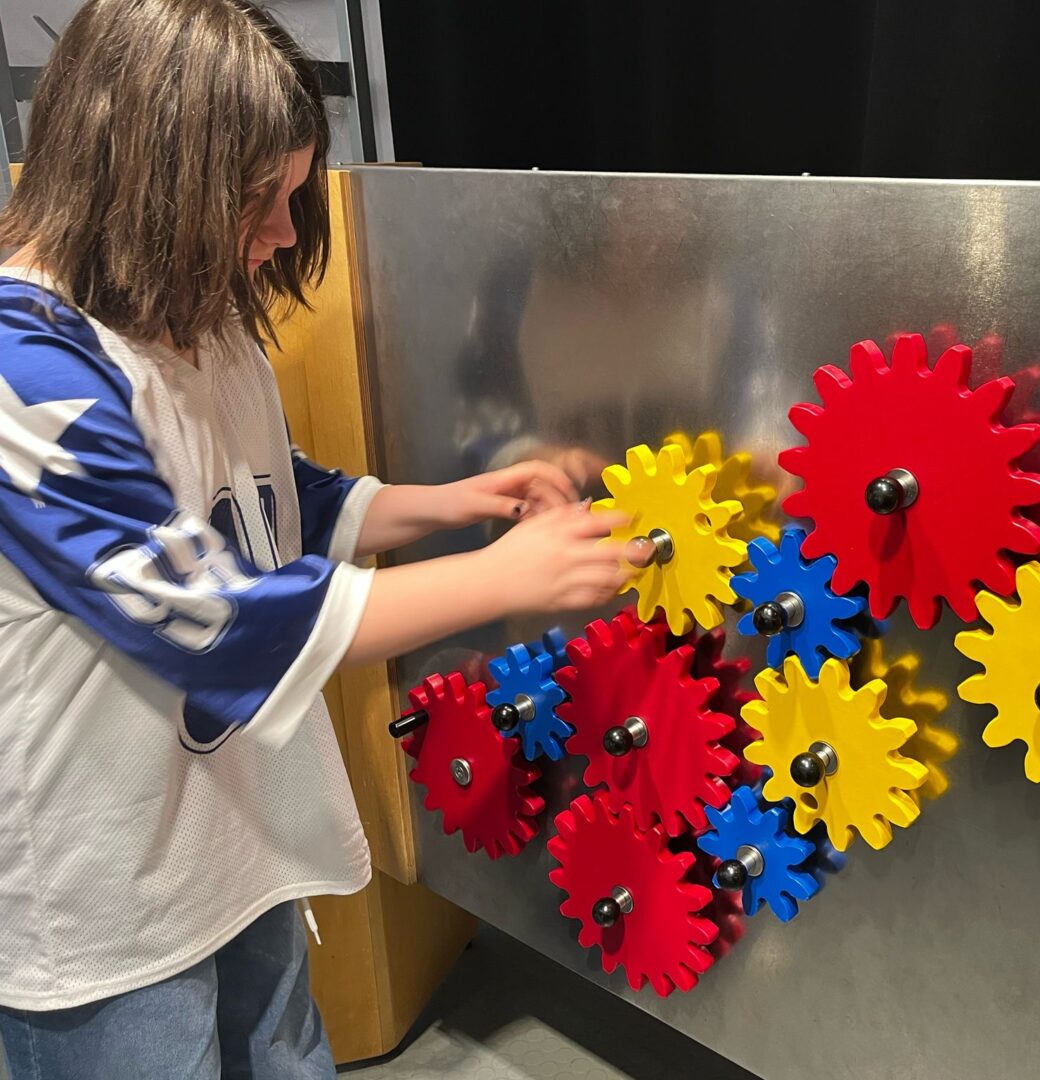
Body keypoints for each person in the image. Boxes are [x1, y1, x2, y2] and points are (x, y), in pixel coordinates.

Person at [0, 1, 627, 1077]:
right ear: (151, 180)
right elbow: (209, 617)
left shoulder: (198, 320)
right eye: (260, 201)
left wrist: (460, 503)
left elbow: (265, 500)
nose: (287, 234)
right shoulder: (27, 371)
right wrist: (502, 578)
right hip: (101, 895)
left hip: (232, 833)